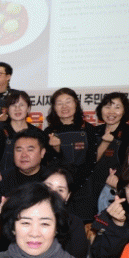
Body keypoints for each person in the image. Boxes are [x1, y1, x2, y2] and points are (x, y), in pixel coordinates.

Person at [44, 87, 98, 221]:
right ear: (54, 108)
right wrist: (56, 149)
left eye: (68, 101)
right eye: (59, 103)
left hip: (84, 188)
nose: (64, 106)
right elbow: (48, 165)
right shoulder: (49, 132)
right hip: (58, 191)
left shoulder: (89, 129)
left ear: (76, 104)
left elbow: (92, 161)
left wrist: (74, 185)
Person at [0, 129, 48, 213]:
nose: (24, 155)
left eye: (30, 150)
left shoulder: (51, 179)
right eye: (19, 150)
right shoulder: (1, 177)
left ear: (42, 153)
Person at [0, 90, 44, 174]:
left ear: (28, 109)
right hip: (2, 177)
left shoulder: (37, 133)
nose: (17, 109)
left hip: (31, 178)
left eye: (21, 105)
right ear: (7, 110)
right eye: (13, 105)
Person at [42, 166, 89, 258]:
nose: (53, 193)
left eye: (60, 190)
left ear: (67, 196)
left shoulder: (74, 223)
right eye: (48, 187)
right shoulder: (24, 217)